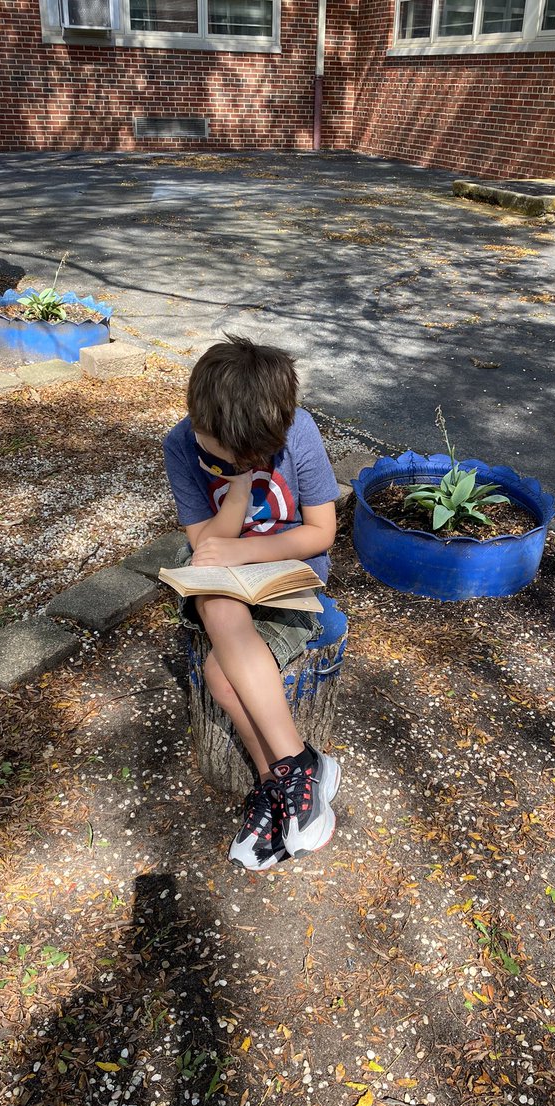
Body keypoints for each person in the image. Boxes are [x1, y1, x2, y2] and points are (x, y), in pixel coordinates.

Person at [163, 335, 342, 872]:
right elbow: (205, 543)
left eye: (249, 461)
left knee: (221, 674)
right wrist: (237, 492)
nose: (224, 462)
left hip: (288, 575)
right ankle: (296, 771)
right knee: (216, 601)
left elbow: (321, 533)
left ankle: (275, 785)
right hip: (222, 570)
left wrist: (243, 548)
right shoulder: (180, 445)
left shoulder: (300, 431)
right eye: (219, 452)